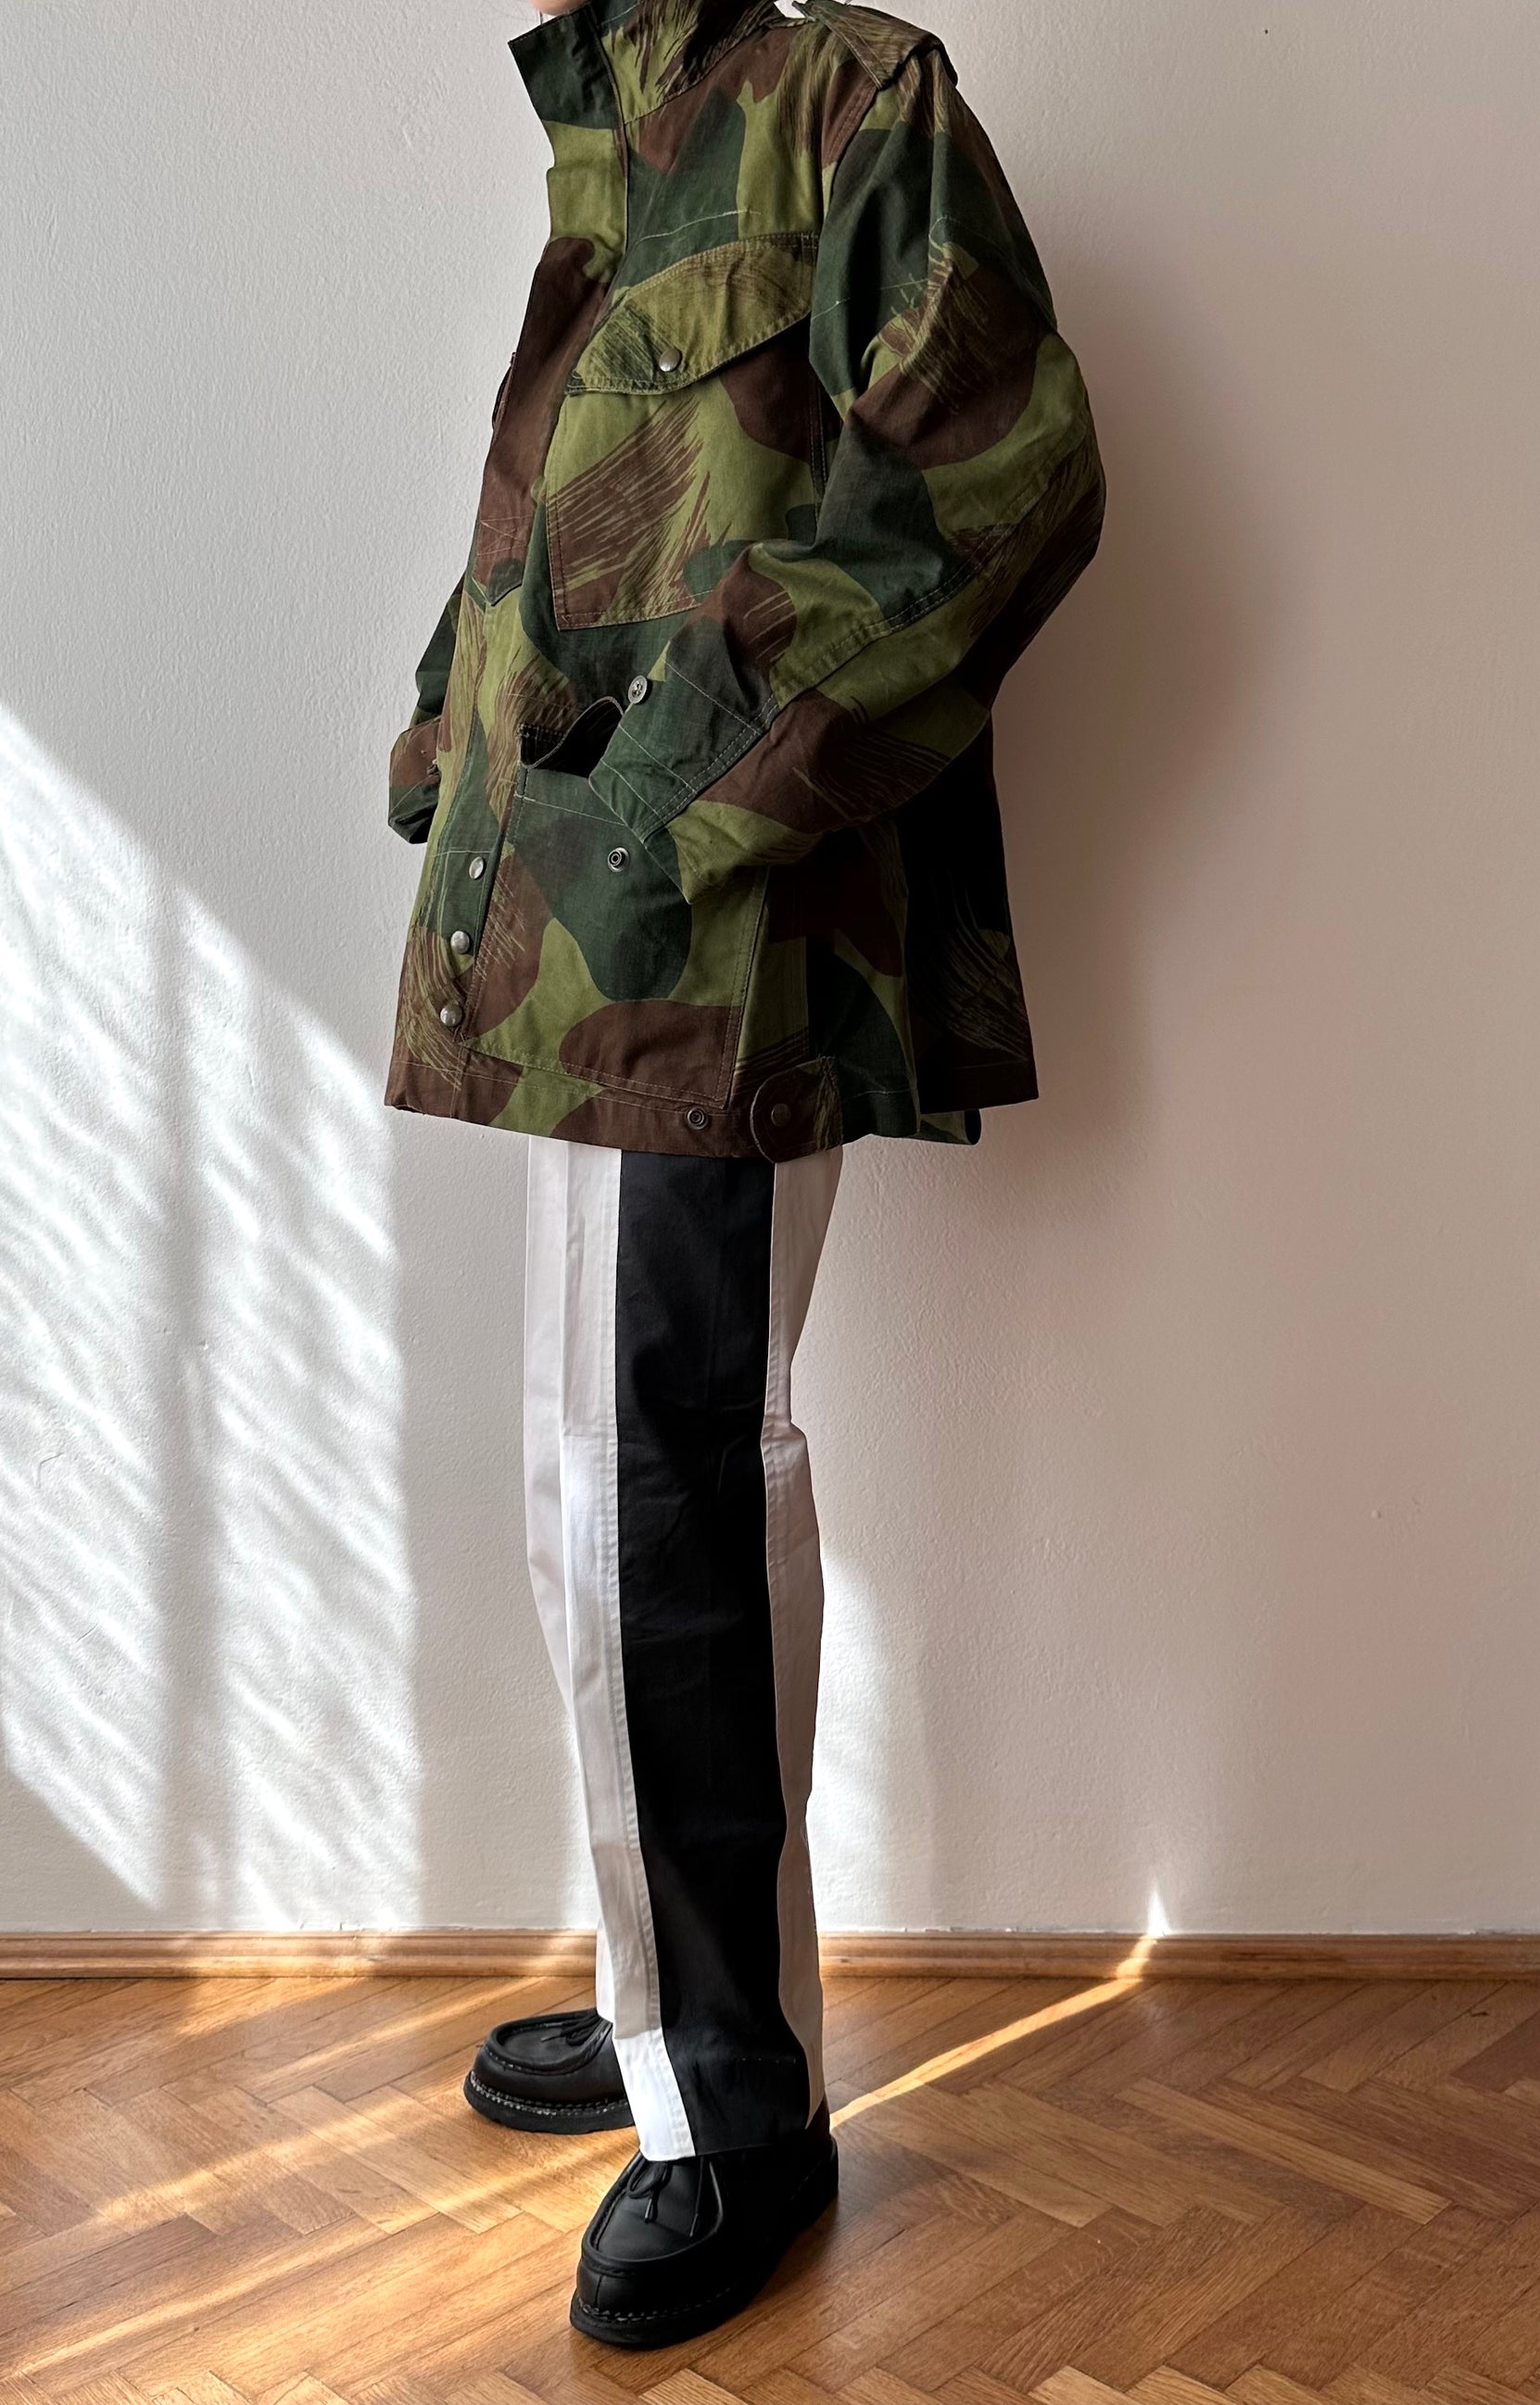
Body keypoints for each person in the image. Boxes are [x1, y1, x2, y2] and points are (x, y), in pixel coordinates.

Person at [382, 0, 1105, 2349]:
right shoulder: (608, 148)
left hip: (710, 939)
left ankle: (735, 2103)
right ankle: (669, 1984)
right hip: (572, 932)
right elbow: (593, 521)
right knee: (584, 1477)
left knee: (660, 1482)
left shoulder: (845, 105)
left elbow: (1002, 467)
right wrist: (457, 733)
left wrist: (704, 775)